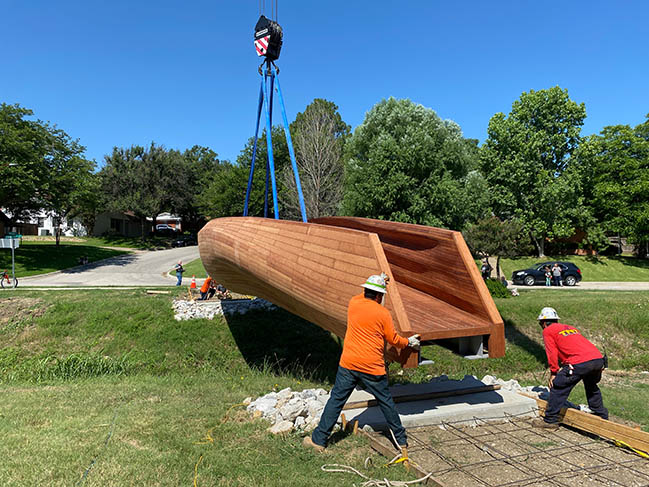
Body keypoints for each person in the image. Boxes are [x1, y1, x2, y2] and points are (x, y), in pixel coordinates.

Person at [303, 273, 421, 459]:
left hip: (348, 364)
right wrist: (409, 343)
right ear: (379, 296)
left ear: (365, 290)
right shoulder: (383, 314)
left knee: (336, 401)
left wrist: (379, 283)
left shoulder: (354, 303)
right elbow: (393, 340)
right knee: (386, 402)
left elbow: (363, 296)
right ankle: (401, 440)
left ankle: (319, 441)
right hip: (372, 367)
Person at [533, 307, 608, 429]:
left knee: (558, 386)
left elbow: (551, 353)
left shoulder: (548, 331)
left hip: (579, 362)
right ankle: (601, 414)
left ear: (543, 322)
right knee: (591, 385)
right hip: (597, 360)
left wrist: (554, 373)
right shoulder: (569, 328)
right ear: (556, 320)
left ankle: (550, 420)